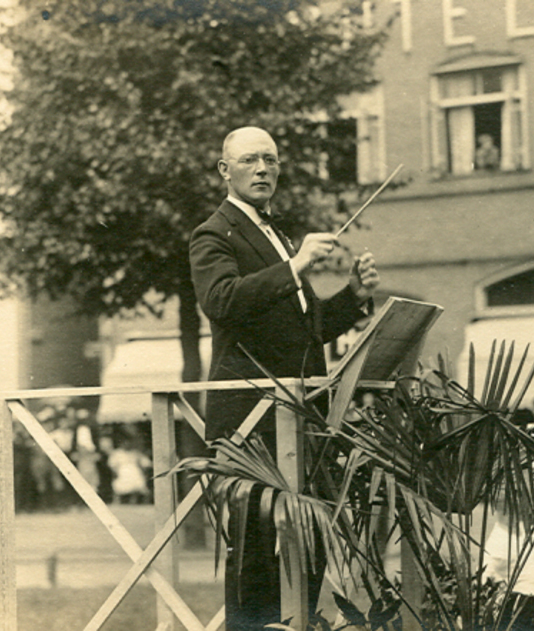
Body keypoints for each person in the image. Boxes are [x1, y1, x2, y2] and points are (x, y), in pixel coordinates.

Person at [189, 126, 380, 631]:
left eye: (271, 160)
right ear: (224, 170)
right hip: (251, 424)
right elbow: (221, 302)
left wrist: (354, 296)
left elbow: (304, 330)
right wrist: (295, 266)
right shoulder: (213, 233)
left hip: (298, 415)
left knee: (308, 542)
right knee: (254, 549)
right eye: (249, 160)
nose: (263, 169)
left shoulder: (278, 234)